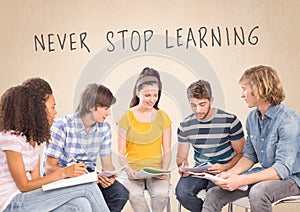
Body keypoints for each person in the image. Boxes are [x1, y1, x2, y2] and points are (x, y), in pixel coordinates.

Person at [202, 65, 300, 212]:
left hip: (292, 178)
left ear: (259, 89)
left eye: (244, 89)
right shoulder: (252, 118)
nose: (242, 95)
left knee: (259, 192)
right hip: (265, 173)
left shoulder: (288, 119)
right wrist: (230, 174)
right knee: (214, 193)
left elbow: (282, 168)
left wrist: (241, 180)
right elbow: (249, 156)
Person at [0, 81, 109, 212]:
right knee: (88, 187)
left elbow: (37, 182)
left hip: (29, 198)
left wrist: (70, 179)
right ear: (38, 110)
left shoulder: (33, 141)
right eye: (53, 107)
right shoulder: (10, 139)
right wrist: (63, 173)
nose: (56, 112)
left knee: (80, 204)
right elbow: (24, 186)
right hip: (12, 204)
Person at [45, 83, 129, 212]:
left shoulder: (104, 128)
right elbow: (49, 168)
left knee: (119, 193)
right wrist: (76, 176)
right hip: (63, 178)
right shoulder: (61, 126)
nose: (109, 113)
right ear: (91, 107)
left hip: (88, 177)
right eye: (106, 108)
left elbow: (107, 165)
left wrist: (109, 177)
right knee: (84, 201)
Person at [176, 79, 245, 212]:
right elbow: (181, 157)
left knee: (212, 195)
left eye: (202, 104)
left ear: (211, 100)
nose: (198, 110)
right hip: (200, 171)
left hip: (225, 170)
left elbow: (241, 153)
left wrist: (225, 167)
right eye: (193, 105)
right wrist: (183, 167)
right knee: (182, 193)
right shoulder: (185, 125)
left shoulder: (230, 121)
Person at [117, 67, 172, 212]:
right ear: (137, 92)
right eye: (147, 95)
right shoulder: (126, 117)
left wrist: (164, 171)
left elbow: (167, 151)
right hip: (133, 172)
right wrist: (128, 170)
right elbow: (120, 153)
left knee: (161, 194)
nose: (152, 99)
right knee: (134, 195)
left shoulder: (163, 117)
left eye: (155, 95)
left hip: (156, 171)